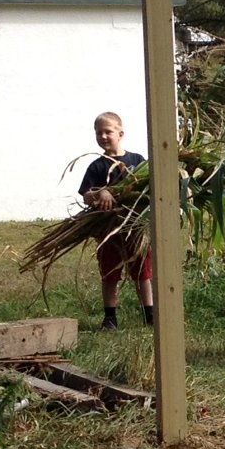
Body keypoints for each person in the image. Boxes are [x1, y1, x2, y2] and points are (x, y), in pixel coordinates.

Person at [78, 112, 154, 331]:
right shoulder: (97, 166)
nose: (103, 136)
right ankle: (110, 317)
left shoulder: (137, 161)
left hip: (136, 227)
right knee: (110, 273)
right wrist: (101, 193)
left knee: (142, 272)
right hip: (108, 230)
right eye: (98, 132)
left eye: (108, 131)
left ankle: (149, 314)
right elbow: (86, 194)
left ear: (120, 133)